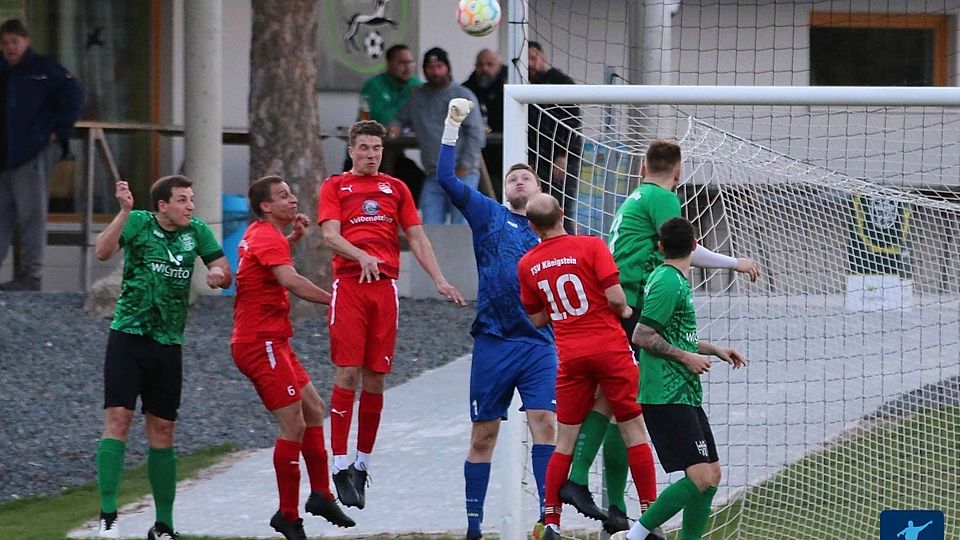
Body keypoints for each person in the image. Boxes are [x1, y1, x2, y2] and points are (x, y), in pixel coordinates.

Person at [564, 139, 760, 532]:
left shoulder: (637, 195)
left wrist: (710, 348)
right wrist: (734, 263)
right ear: (678, 172)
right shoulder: (662, 206)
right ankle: (590, 488)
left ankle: (608, 500)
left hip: (617, 297)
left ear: (640, 168)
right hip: (628, 302)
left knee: (617, 402)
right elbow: (685, 247)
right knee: (629, 406)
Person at [318, 120, 466, 509]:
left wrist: (438, 278)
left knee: (376, 378)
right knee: (347, 372)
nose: (370, 154)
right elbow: (330, 234)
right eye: (363, 147)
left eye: (376, 148)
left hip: (384, 289)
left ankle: (362, 466)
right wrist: (361, 254)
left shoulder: (396, 188)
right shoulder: (335, 187)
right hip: (350, 286)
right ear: (351, 151)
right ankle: (339, 464)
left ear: (384, 152)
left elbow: (416, 236)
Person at [437, 99, 557, 539]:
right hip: (493, 340)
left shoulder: (555, 232)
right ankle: (473, 526)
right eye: (512, 177)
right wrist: (453, 127)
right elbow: (446, 180)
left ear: (541, 190)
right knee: (483, 435)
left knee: (546, 423)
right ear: (505, 189)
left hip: (539, 343)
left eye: (526, 177)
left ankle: (550, 520)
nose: (518, 180)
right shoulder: (489, 214)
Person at [92, 176, 232, 540]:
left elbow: (223, 268)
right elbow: (102, 251)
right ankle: (108, 517)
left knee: (164, 430)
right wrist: (123, 212)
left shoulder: (196, 231)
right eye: (183, 200)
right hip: (128, 337)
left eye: (191, 199)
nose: (190, 206)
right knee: (118, 419)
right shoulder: (138, 221)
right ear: (162, 205)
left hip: (169, 343)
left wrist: (218, 275)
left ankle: (164, 525)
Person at [517, 193, 660, 540]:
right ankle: (648, 517)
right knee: (634, 429)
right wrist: (625, 312)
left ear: (532, 226)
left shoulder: (527, 264)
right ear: (562, 214)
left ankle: (551, 523)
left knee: (564, 439)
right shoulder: (591, 246)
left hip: (570, 355)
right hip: (608, 348)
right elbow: (615, 297)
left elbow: (536, 319)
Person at [231, 175, 355, 539]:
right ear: (265, 206)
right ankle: (288, 516)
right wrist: (337, 299)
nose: (292, 199)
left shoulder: (263, 234)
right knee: (294, 426)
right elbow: (290, 280)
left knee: (314, 410)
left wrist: (294, 238)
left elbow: (265, 264)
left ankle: (320, 494)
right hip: (260, 344)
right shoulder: (266, 236)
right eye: (283, 196)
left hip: (274, 341)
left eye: (291, 193)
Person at [613, 217, 748, 540]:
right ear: (693, 245)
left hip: (683, 392)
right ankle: (634, 537)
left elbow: (672, 335)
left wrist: (712, 348)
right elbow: (643, 336)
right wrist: (687, 357)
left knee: (712, 475)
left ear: (661, 247)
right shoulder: (667, 282)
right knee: (700, 477)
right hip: (665, 393)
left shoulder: (674, 279)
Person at [0, 18, 83, 290]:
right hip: (6, 156)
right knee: (2, 217)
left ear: (26, 41)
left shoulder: (43, 69)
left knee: (31, 215)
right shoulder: (5, 71)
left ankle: (31, 275)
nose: (10, 47)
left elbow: (73, 93)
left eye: (14, 41)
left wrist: (59, 132)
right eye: (5, 42)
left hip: (32, 153)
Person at [391, 47, 485, 224]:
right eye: (430, 67)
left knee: (461, 228)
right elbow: (399, 118)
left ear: (448, 68)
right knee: (429, 228)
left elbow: (476, 133)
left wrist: (466, 164)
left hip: (462, 174)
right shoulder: (416, 95)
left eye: (439, 66)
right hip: (434, 174)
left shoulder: (462, 95)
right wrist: (394, 126)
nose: (435, 71)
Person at [357, 44, 426, 203]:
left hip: (397, 152)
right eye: (402, 63)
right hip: (369, 153)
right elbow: (380, 118)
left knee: (418, 181)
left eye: (410, 62)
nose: (407, 67)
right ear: (389, 65)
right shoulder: (374, 85)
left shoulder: (416, 86)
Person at [527, 41, 579, 233]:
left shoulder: (562, 82)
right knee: (535, 210)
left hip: (561, 159)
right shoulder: (522, 84)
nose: (530, 65)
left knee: (560, 209)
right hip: (536, 159)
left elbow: (572, 123)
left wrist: (562, 155)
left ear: (543, 57)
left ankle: (569, 249)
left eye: (533, 58)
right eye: (526, 61)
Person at [462, 49, 507, 197]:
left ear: (499, 66)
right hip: (479, 156)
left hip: (506, 155)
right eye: (480, 65)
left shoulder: (511, 86)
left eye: (490, 64)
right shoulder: (467, 89)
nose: (485, 69)